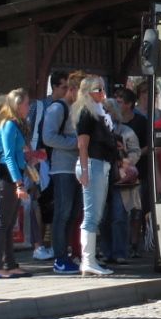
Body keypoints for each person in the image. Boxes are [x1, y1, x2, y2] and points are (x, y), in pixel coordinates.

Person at [73, 76, 117, 276]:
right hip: (93, 164)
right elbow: (82, 144)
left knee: (96, 215)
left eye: (103, 88)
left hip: (101, 164)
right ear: (88, 92)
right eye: (98, 89)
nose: (103, 93)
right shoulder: (87, 113)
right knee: (91, 215)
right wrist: (85, 169)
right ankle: (88, 260)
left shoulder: (99, 112)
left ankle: (90, 259)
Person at [41, 70, 83, 274]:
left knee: (73, 213)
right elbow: (48, 137)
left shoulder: (75, 108)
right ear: (72, 89)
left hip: (76, 167)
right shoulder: (57, 108)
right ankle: (59, 257)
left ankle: (65, 254)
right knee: (63, 213)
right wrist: (76, 143)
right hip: (62, 168)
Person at [0, 88, 33, 279]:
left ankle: (9, 263)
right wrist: (19, 184)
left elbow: (16, 154)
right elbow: (7, 156)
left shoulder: (13, 123)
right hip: (6, 176)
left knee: (8, 222)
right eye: (26, 103)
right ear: (17, 105)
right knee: (1, 222)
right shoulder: (8, 124)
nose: (28, 107)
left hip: (11, 175)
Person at [26, 70, 69, 261]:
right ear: (55, 87)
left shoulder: (69, 107)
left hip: (57, 161)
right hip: (39, 162)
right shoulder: (41, 106)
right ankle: (39, 245)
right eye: (64, 87)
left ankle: (51, 245)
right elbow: (28, 131)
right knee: (38, 201)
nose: (67, 90)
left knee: (54, 204)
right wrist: (31, 158)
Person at [100, 98, 141, 264]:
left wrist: (125, 161)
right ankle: (106, 251)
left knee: (119, 216)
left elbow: (136, 151)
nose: (106, 113)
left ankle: (120, 252)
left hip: (120, 179)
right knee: (103, 217)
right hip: (103, 177)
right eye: (104, 110)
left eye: (108, 110)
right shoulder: (98, 131)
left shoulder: (126, 131)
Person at [117, 88, 149, 258]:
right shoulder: (112, 122)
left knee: (136, 209)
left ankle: (134, 243)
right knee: (120, 210)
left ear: (129, 104)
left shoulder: (141, 122)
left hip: (138, 170)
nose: (117, 104)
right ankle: (121, 243)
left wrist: (134, 155)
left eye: (120, 102)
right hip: (118, 171)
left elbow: (149, 144)